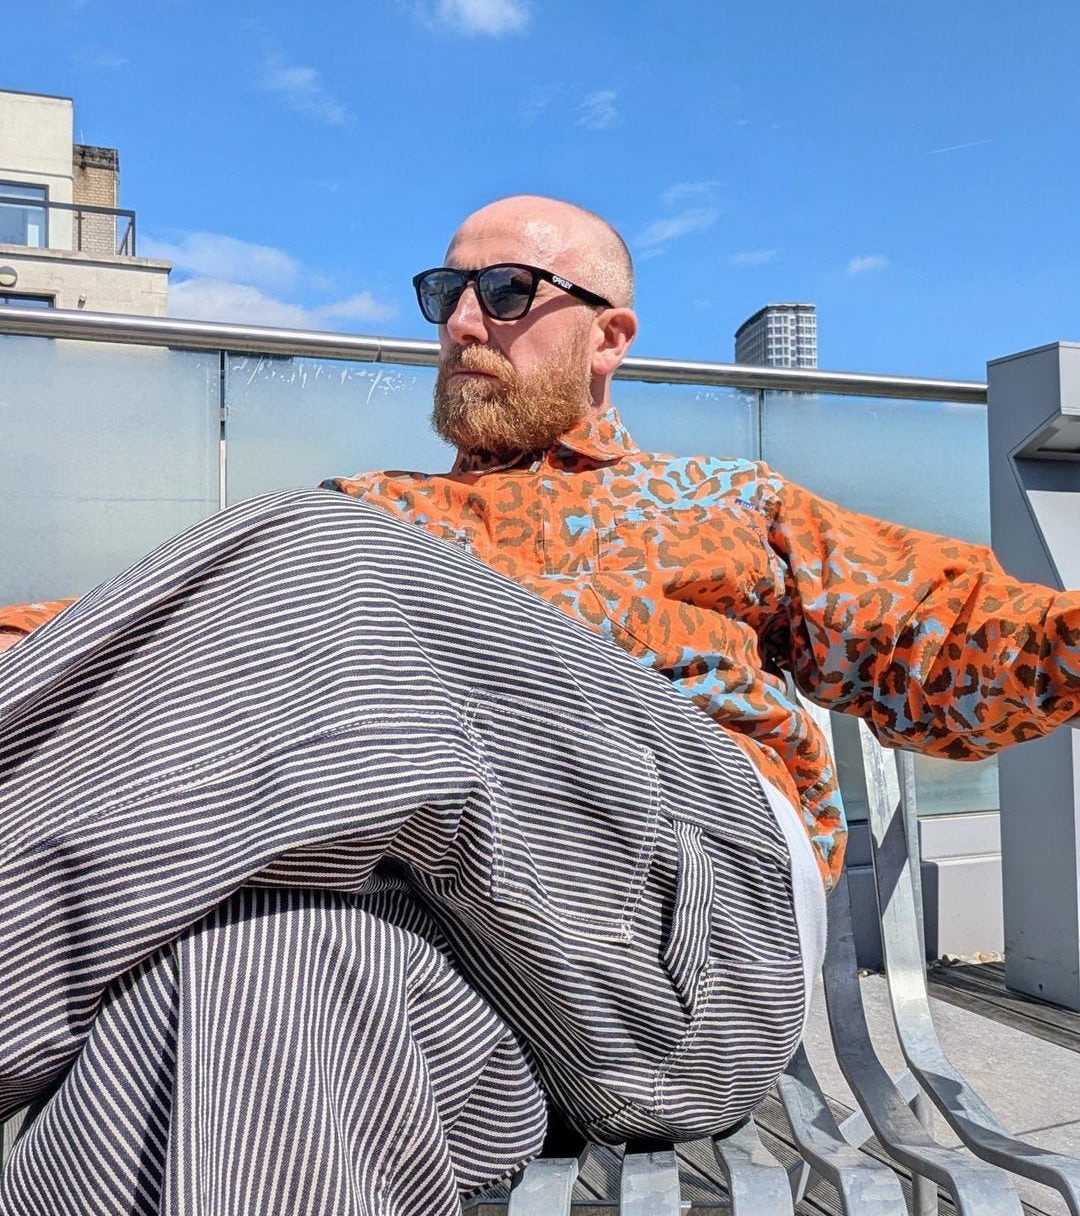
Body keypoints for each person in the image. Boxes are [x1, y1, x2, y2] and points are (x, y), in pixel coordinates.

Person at [2, 194, 1079, 1216]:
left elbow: (959, 636)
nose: (465, 320)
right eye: (447, 292)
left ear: (609, 337)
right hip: (479, 983)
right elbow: (97, 641)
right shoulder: (378, 515)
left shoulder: (725, 504)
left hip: (692, 957)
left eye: (509, 290)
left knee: (324, 550)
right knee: (248, 970)